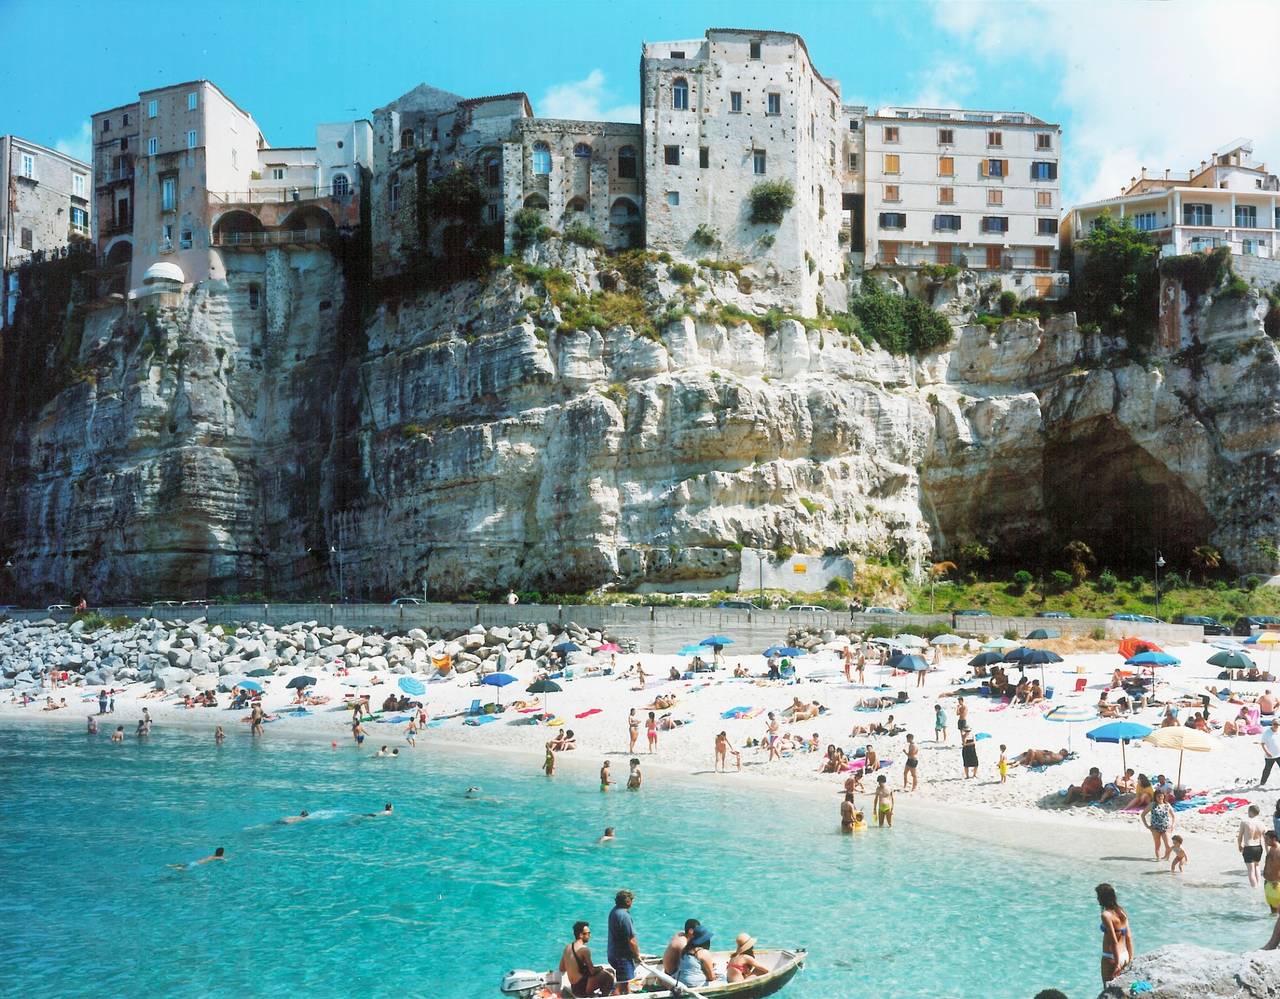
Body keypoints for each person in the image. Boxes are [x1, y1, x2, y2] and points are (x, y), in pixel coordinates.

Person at [560, 921, 615, 998]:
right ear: (581, 935)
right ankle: (604, 996)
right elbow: (592, 971)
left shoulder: (568, 947)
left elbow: (561, 968)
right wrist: (599, 968)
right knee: (609, 976)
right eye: (588, 933)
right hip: (583, 988)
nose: (590, 935)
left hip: (574, 987)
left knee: (609, 970)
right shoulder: (584, 950)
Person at [1095, 882, 1132, 984]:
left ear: (1104, 898)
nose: (1097, 899)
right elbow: (1128, 936)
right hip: (1125, 955)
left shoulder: (1106, 915)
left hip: (1111, 957)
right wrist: (1131, 958)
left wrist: (1117, 963)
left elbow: (1113, 941)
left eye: (1099, 896)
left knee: (1108, 990)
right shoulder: (1121, 912)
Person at [607, 890, 640, 994]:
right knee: (621, 987)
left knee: (625, 984)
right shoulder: (625, 916)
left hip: (613, 953)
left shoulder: (614, 911)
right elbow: (632, 940)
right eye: (632, 900)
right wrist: (637, 955)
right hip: (622, 957)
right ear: (628, 902)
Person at [1239, 804, 1267, 888]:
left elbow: (1240, 836)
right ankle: (1258, 885)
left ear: (1250, 812)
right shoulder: (1261, 824)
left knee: (1250, 870)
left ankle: (1254, 888)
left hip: (1249, 847)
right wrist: (1268, 851)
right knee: (1257, 866)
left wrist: (1239, 846)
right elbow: (1266, 837)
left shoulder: (1244, 822)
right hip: (1258, 847)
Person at [1142, 790, 1174, 861]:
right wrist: (1147, 826)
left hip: (1165, 827)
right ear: (1155, 797)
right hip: (1155, 828)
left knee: (1168, 846)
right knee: (1157, 845)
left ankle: (1166, 858)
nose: (1160, 797)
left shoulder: (1167, 805)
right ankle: (1158, 859)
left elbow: (1173, 816)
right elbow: (1143, 815)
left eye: (1161, 796)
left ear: (1163, 796)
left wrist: (1172, 825)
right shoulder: (1152, 804)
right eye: (1158, 796)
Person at [1262, 831, 1280, 915]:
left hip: (1276, 885)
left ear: (1274, 839)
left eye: (1267, 839)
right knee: (1273, 910)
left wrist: (1277, 881)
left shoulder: (1279, 851)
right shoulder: (1271, 848)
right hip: (1268, 883)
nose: (1265, 841)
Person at [1261, 717, 1280, 786]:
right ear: (1272, 724)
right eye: (1275, 724)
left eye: (1278, 724)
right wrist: (1267, 752)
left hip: (1279, 755)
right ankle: (1262, 782)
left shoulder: (1278, 731)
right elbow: (1263, 744)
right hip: (1270, 756)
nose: (1276, 726)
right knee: (1267, 770)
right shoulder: (1267, 733)